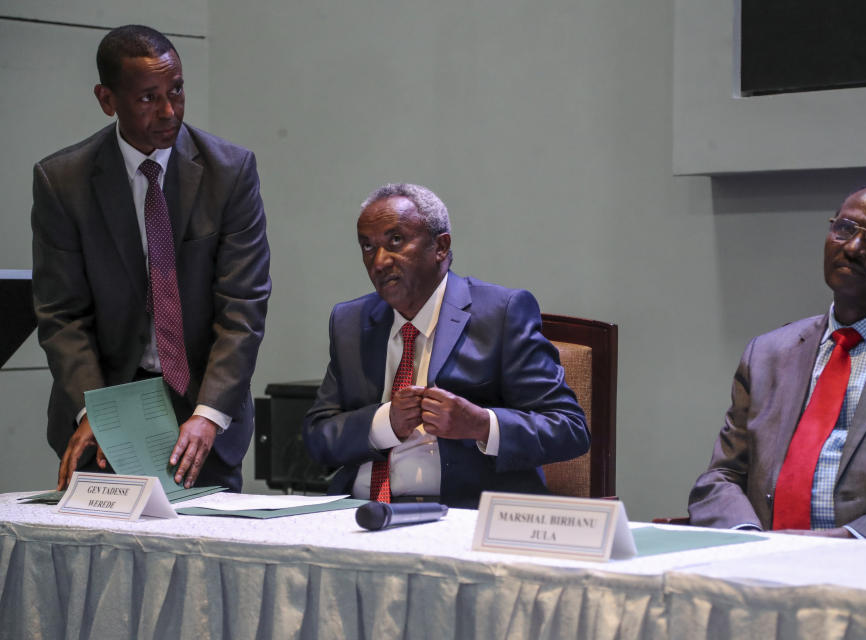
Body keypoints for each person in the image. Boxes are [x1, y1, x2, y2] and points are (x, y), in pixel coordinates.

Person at [32, 25, 271, 492]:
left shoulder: (230, 172)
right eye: (147, 98)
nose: (168, 111)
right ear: (107, 99)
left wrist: (209, 414)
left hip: (203, 415)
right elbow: (62, 316)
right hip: (102, 411)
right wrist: (96, 412)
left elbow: (242, 307)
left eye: (176, 90)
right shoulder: (62, 182)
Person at [688, 180, 866, 538]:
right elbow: (721, 477)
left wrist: (850, 539)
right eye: (844, 229)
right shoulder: (767, 353)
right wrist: (749, 539)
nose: (854, 247)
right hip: (762, 563)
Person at [302, 183, 589, 508]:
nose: (379, 261)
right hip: (360, 513)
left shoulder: (501, 314)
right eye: (367, 247)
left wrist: (481, 425)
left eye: (395, 241)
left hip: (460, 515)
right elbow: (317, 436)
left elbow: (569, 428)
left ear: (441, 246)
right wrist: (386, 424)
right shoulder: (350, 321)